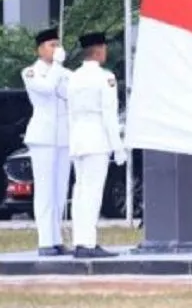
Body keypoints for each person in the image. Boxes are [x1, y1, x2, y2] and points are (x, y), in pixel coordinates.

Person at [66, 32, 126, 259]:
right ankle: (88, 243)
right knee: (92, 192)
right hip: (96, 138)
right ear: (99, 50)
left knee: (80, 191)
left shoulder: (74, 77)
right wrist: (117, 146)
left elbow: (70, 113)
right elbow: (109, 114)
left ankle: (79, 241)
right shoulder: (105, 77)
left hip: (78, 138)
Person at [23, 27, 71, 256]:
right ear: (40, 50)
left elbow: (71, 94)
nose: (56, 49)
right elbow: (46, 89)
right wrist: (58, 66)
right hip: (42, 136)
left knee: (60, 190)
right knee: (45, 189)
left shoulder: (65, 72)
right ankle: (45, 241)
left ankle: (56, 238)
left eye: (58, 45)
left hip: (63, 136)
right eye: (52, 45)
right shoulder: (31, 72)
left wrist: (61, 69)